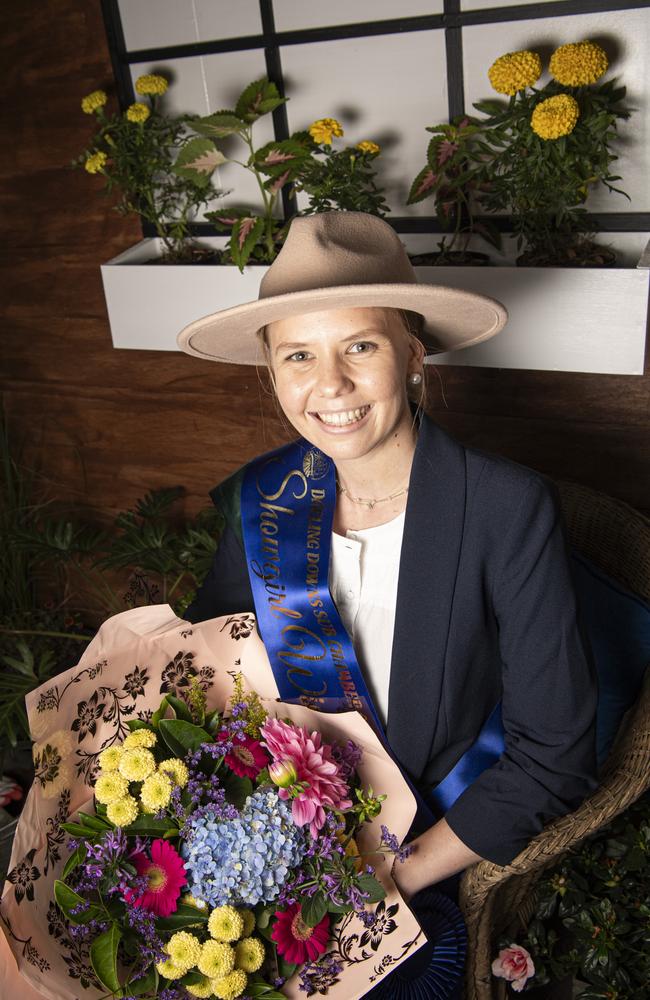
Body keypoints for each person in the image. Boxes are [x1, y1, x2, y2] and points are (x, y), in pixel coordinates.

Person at [178, 211, 598, 905]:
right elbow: (200, 670)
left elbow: (555, 757)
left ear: (411, 355)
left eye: (361, 346)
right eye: (299, 355)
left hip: (423, 852)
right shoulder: (266, 498)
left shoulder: (505, 506)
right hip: (274, 838)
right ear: (274, 375)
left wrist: (389, 877)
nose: (331, 384)